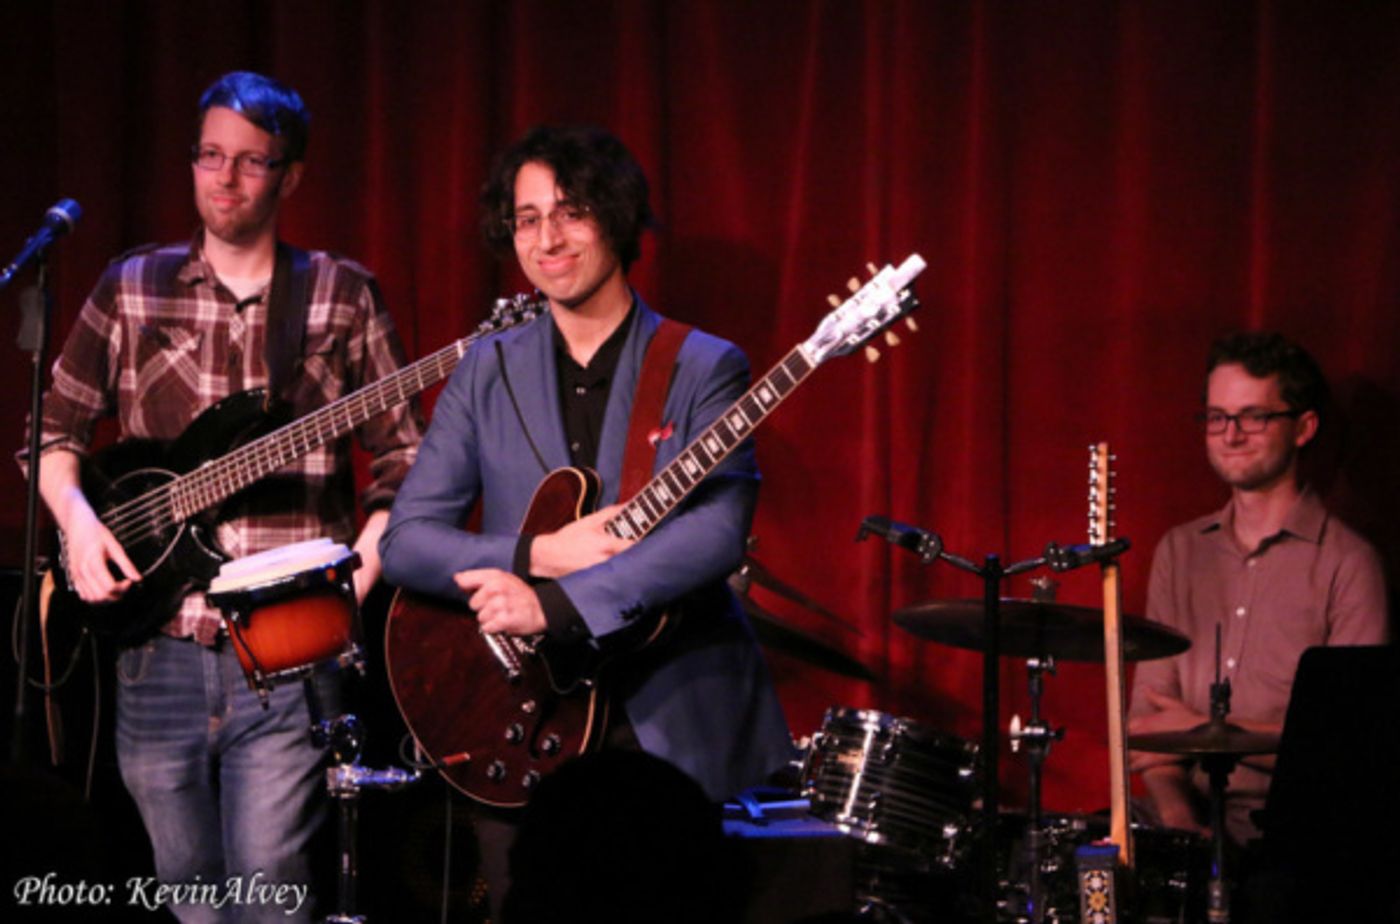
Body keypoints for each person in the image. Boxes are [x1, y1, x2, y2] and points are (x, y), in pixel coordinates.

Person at [28, 72, 423, 921]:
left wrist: (356, 579)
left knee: (272, 895)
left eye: (250, 162)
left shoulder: (339, 294)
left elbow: (406, 464)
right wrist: (80, 525)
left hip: (286, 648)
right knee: (191, 900)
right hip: (154, 647)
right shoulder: (131, 284)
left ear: (291, 176)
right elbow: (51, 438)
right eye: (210, 156)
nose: (225, 178)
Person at [379, 123, 794, 907]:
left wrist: (559, 605)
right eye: (527, 218)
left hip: (664, 710)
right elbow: (407, 542)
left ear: (618, 217)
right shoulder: (485, 369)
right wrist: (537, 555)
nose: (546, 238)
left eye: (570, 211)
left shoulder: (702, 363)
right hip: (518, 714)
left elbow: (714, 533)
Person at [1128, 331, 1388, 846]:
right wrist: (1180, 818)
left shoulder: (1350, 564)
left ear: (1303, 428)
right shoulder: (1180, 552)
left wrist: (1204, 731)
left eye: (1254, 417)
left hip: (1308, 837)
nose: (1231, 434)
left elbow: (1351, 743)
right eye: (1217, 417)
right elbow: (1147, 730)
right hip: (1191, 824)